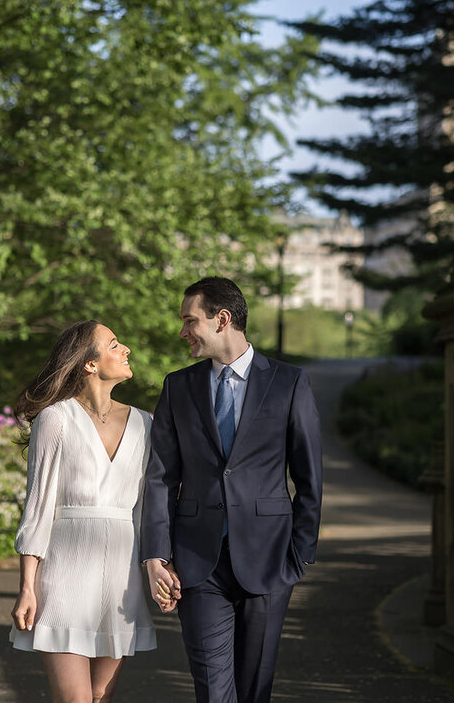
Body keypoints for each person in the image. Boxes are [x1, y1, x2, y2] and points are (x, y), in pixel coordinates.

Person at [141, 276, 323, 703]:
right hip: (197, 565)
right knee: (213, 691)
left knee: (254, 690)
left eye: (190, 320)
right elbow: (160, 477)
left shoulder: (289, 383)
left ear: (222, 320)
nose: (183, 331)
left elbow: (310, 479)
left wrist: (299, 557)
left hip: (270, 562)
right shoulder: (177, 386)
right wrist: (156, 555)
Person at [9, 320, 157, 703]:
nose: (125, 349)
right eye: (113, 344)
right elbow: (37, 508)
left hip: (122, 581)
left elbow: (148, 508)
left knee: (99, 697)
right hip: (65, 576)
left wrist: (157, 565)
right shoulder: (55, 419)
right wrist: (27, 587)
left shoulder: (145, 423)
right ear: (89, 364)